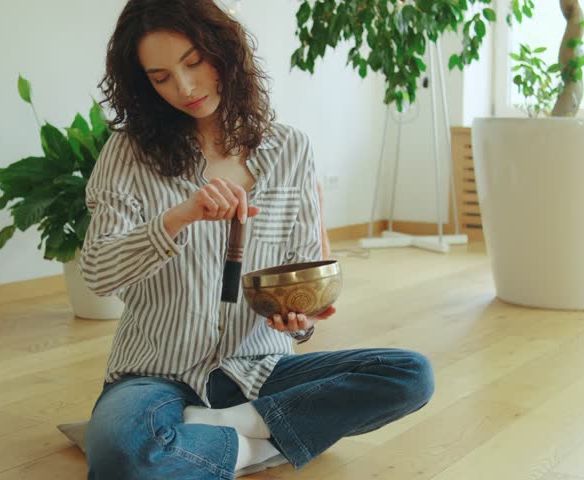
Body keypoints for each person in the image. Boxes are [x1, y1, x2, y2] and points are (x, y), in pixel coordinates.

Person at [79, 1, 435, 478]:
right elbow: (98, 272)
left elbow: (303, 271)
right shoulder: (128, 153)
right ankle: (263, 443)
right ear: (143, 84)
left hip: (260, 367)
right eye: (161, 77)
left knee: (410, 375)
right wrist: (179, 217)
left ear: (223, 53)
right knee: (119, 450)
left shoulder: (290, 148)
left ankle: (222, 427)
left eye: (193, 63)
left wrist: (301, 320)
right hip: (153, 372)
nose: (184, 88)